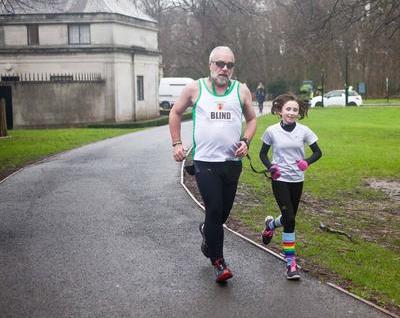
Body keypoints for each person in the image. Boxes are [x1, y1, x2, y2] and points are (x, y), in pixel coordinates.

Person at [169, 46, 257, 283]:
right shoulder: (194, 88)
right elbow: (175, 113)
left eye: (229, 65)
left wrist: (246, 141)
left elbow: (251, 120)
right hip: (205, 162)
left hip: (231, 163)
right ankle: (219, 262)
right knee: (214, 208)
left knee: (222, 214)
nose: (224, 69)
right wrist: (177, 143)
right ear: (210, 65)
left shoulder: (242, 91)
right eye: (219, 63)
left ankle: (207, 233)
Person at [259, 93, 322, 280]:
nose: (292, 113)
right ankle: (290, 263)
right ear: (280, 111)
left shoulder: (304, 131)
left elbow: (318, 152)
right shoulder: (271, 131)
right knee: (290, 218)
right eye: (288, 109)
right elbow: (263, 154)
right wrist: (271, 167)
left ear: (299, 112)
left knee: (289, 217)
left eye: (295, 110)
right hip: (280, 179)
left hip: (297, 179)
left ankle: (271, 224)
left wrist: (307, 162)